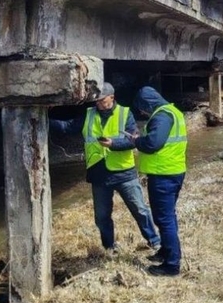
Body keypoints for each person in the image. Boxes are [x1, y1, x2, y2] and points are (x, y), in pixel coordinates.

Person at [50, 82, 160, 254]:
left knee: (140, 209)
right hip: (99, 174)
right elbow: (67, 127)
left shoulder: (125, 113)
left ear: (112, 98)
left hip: (124, 173)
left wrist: (113, 144)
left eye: (102, 100)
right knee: (102, 217)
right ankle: (109, 247)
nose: (98, 103)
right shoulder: (89, 114)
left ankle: (154, 241)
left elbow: (133, 141)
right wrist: (43, 119)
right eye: (96, 100)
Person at [130, 86, 188, 277]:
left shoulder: (162, 116)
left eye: (143, 109)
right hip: (173, 171)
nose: (143, 113)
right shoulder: (172, 111)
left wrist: (137, 141)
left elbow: (153, 143)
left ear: (148, 104)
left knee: (164, 219)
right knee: (168, 216)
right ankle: (165, 251)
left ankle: (171, 265)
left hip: (163, 175)